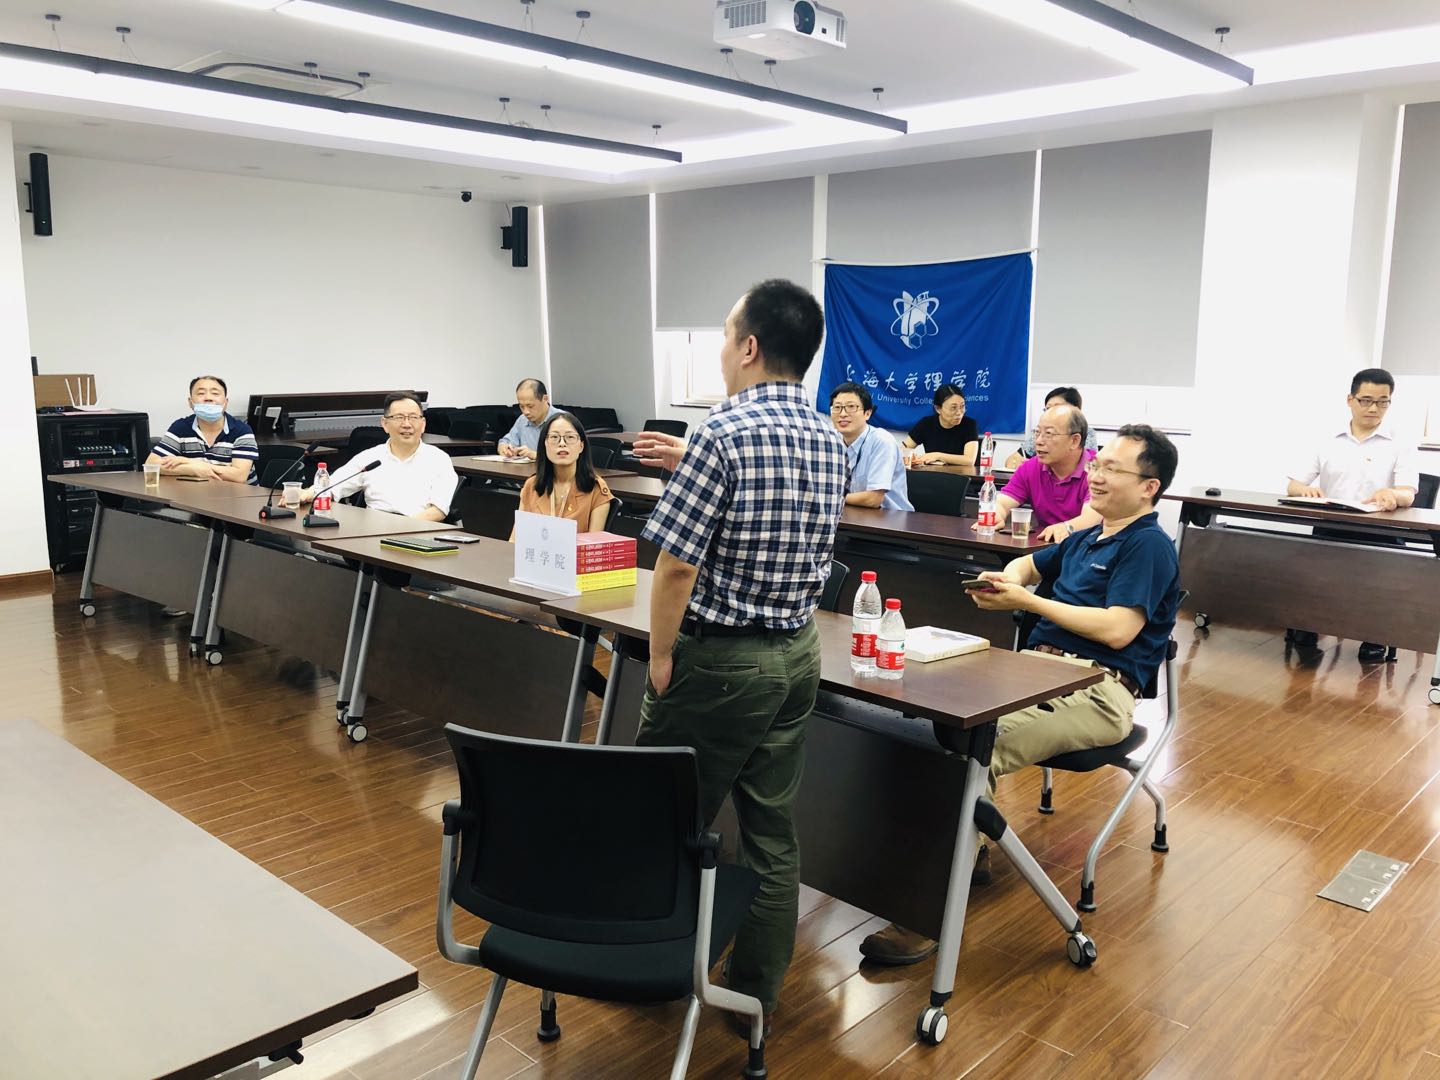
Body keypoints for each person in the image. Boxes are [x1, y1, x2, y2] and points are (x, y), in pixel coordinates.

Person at [860, 424, 1180, 966]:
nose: (1097, 476)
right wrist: (1007, 580)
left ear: (1149, 487)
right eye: (1098, 464)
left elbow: (1118, 630)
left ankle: (927, 908)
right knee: (925, 714)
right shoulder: (1087, 536)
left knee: (971, 747)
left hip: (1097, 689)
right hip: (1034, 671)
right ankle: (970, 846)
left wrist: (1028, 603)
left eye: (1112, 469)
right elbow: (1028, 564)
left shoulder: (1147, 546)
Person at [638, 278, 847, 1033]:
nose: (723, 351)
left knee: (656, 816)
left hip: (721, 662)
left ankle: (647, 968)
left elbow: (675, 568)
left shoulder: (721, 433)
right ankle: (753, 994)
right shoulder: (829, 437)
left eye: (727, 337)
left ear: (750, 346)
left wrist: (661, 657)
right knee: (770, 834)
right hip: (796, 655)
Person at [1285, 367, 1417, 662]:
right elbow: (1293, 485)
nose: (1374, 408)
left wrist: (1392, 494)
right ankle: (1310, 625)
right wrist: (1304, 490)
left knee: (1382, 582)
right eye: (1366, 400)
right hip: (1333, 523)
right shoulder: (1328, 439)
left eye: (1382, 402)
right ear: (1350, 400)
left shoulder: (1401, 442)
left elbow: (1408, 493)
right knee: (1313, 573)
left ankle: (1375, 636)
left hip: (1381, 529)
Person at [301, 391, 457, 520]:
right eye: (399, 417)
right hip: (373, 530)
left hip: (417, 533)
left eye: (413, 417)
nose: (407, 424)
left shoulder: (438, 460)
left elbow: (438, 511)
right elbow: (332, 486)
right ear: (385, 424)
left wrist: (401, 529)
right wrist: (306, 494)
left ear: (423, 424)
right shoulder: (370, 457)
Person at [976, 404, 1097, 542]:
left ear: (1074, 441)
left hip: (1088, 547)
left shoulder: (1098, 471)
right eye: (1037, 433)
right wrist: (997, 513)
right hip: (1045, 545)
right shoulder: (1031, 468)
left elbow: (1092, 518)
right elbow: (1003, 502)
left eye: (1049, 434)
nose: (1038, 441)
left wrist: (1066, 528)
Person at [510, 411, 614, 537]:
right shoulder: (532, 485)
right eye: (554, 437)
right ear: (545, 444)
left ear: (581, 446)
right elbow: (515, 540)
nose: (562, 443)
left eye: (570, 437)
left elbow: (594, 545)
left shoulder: (596, 489)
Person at [146, 375, 258, 483]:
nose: (208, 398)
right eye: (201, 393)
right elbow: (151, 464)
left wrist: (189, 462)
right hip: (195, 494)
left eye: (215, 393)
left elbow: (239, 476)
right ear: (190, 402)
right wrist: (192, 469)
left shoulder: (241, 430)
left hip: (238, 495)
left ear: (226, 402)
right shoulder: (181, 427)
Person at [830, 381, 914, 512]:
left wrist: (831, 498)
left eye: (851, 407)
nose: (843, 414)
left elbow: (873, 499)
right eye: (837, 407)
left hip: (891, 518)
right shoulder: (831, 439)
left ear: (867, 413)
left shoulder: (882, 441)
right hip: (850, 514)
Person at [1005, 386, 1099, 469]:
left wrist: (1032, 466)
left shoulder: (1087, 433)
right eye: (1048, 409)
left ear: (1076, 410)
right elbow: (1011, 461)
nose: (1051, 413)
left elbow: (1088, 465)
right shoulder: (1041, 434)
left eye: (1057, 408)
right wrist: (1022, 465)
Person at [901, 384, 979, 467]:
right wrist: (909, 457)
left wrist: (937, 456)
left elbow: (969, 460)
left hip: (961, 474)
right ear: (938, 409)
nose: (959, 412)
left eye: (962, 406)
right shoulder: (926, 424)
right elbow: (903, 449)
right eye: (953, 408)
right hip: (932, 473)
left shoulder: (969, 425)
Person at [497, 378, 555, 460]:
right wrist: (504, 448)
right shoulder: (522, 420)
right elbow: (506, 441)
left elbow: (568, 457)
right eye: (521, 406)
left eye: (530, 406)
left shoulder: (562, 420)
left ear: (545, 399)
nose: (526, 412)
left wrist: (536, 456)